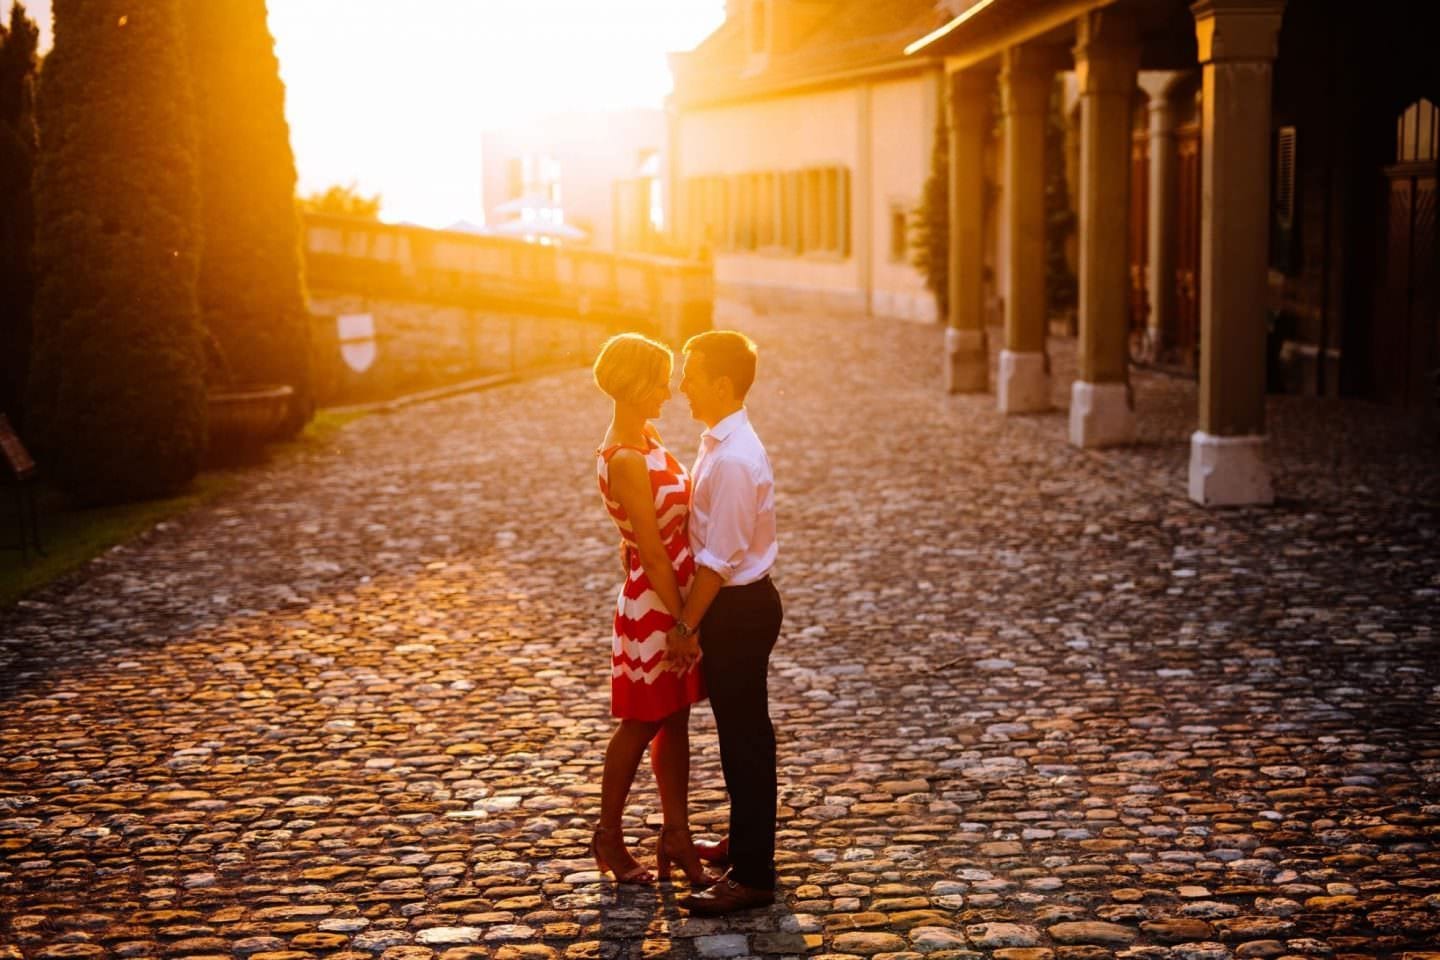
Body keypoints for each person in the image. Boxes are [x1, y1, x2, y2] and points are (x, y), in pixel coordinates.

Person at [590, 333, 713, 886]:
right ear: (636, 384)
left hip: (673, 588)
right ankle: (608, 838)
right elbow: (655, 552)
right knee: (641, 722)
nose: (667, 390)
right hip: (657, 600)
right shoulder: (624, 459)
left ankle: (676, 834)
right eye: (660, 379)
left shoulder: (646, 436)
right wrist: (684, 619)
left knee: (676, 719)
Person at [670, 330, 784, 916]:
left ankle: (755, 876)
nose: (681, 384)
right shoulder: (718, 440)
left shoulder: (736, 458)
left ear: (721, 384)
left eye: (690, 373)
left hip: (737, 611)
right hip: (732, 610)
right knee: (739, 736)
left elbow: (719, 560)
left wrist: (685, 627)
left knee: (746, 741)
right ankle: (744, 848)